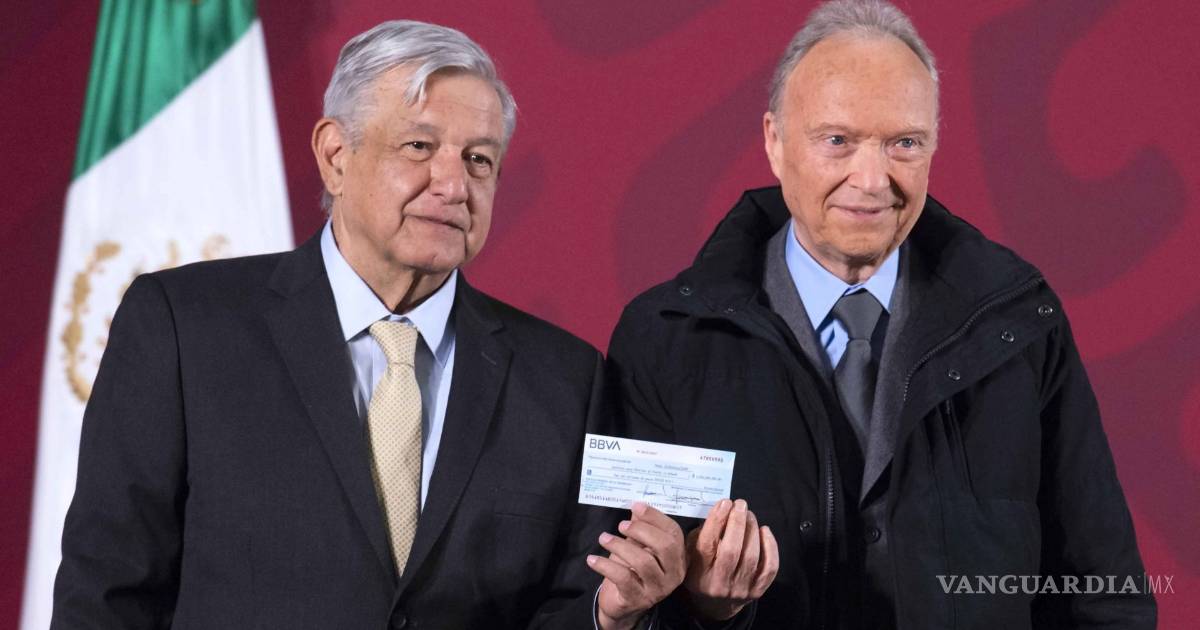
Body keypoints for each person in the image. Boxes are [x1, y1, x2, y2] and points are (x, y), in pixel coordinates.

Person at [51, 21, 686, 630]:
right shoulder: (184, 327)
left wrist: (608, 615)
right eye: (419, 147)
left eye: (479, 160)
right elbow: (107, 590)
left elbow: (569, 605)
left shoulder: (564, 381)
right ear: (335, 155)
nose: (454, 185)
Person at [606, 1, 1156, 628]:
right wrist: (708, 611)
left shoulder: (1021, 327)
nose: (872, 180)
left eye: (904, 144)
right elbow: (611, 597)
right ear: (775, 143)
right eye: (837, 141)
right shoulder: (662, 341)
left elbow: (1102, 593)